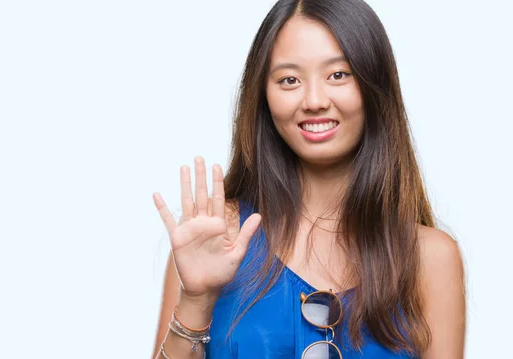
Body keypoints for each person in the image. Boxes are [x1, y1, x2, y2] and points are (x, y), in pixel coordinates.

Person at [151, 0, 466, 358]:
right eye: (289, 80)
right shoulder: (214, 235)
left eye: (338, 75)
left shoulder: (430, 257)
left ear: (374, 84)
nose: (314, 100)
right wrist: (196, 300)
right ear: (264, 97)